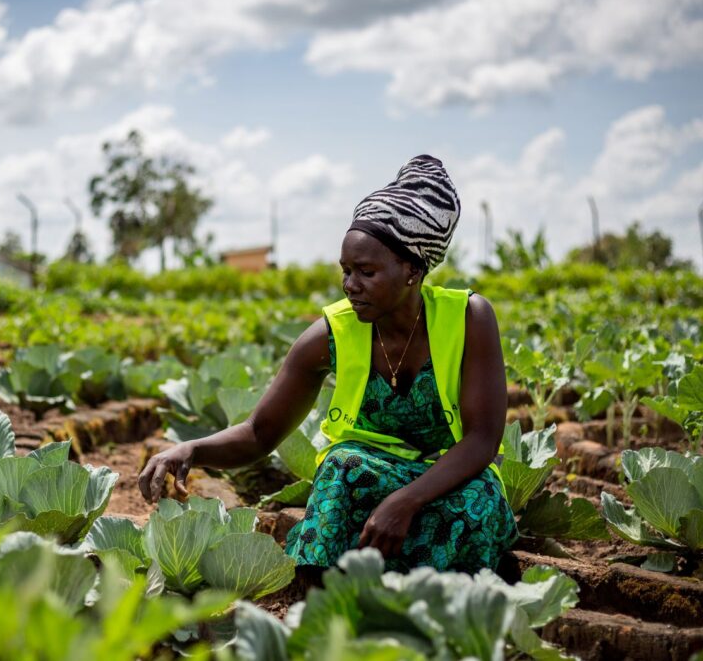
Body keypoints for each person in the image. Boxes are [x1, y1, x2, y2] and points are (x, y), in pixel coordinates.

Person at [139, 155, 517, 574]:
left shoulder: (469, 318)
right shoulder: (330, 335)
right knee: (342, 468)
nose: (350, 285)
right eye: (346, 271)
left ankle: (450, 604)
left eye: (366, 272)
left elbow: (483, 439)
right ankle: (321, 604)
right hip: (369, 482)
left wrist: (405, 501)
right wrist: (191, 448)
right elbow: (260, 432)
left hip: (445, 482)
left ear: (412, 270)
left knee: (479, 500)